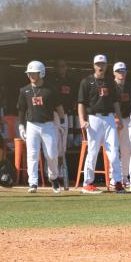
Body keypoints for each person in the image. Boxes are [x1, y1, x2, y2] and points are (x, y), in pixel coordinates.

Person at [77, 54, 125, 194]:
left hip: (109, 117)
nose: (100, 66)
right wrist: (82, 119)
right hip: (94, 118)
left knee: (114, 151)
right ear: (93, 65)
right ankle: (87, 183)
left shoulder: (110, 81)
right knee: (92, 151)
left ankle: (117, 182)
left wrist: (120, 119)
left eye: (102, 64)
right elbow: (81, 103)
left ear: (106, 66)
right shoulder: (86, 81)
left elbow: (115, 102)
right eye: (98, 64)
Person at [17, 61, 65, 194]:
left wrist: (62, 122)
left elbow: (59, 107)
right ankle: (33, 182)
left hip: (48, 125)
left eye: (34, 73)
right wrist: (21, 126)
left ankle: (53, 178)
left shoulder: (50, 90)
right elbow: (21, 110)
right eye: (30, 73)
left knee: (52, 155)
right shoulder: (24, 90)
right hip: (32, 125)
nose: (31, 75)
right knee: (32, 155)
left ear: (41, 73)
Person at [51, 59, 76, 190]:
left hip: (65, 115)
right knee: (52, 146)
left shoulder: (70, 81)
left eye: (64, 66)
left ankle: (61, 174)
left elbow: (73, 98)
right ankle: (51, 174)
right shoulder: (52, 81)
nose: (62, 68)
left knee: (62, 147)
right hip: (53, 115)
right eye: (59, 66)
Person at [113, 61, 131, 189]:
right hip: (112, 120)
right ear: (114, 73)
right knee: (113, 150)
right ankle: (113, 178)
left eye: (123, 71)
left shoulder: (130, 86)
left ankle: (124, 176)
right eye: (119, 71)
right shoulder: (110, 85)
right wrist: (116, 118)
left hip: (127, 119)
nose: (121, 73)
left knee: (126, 149)